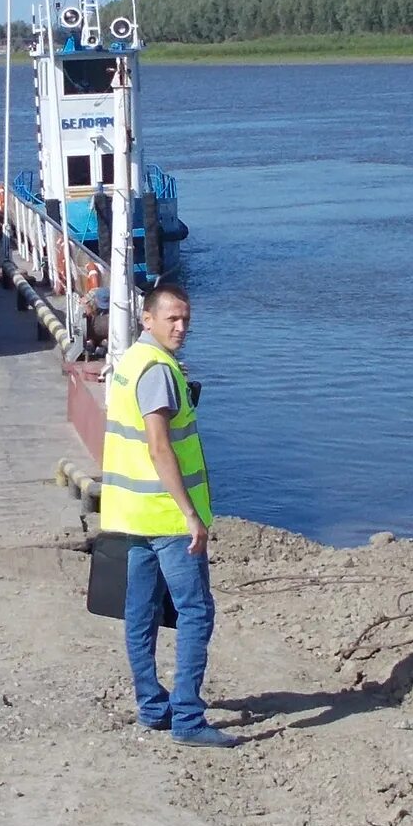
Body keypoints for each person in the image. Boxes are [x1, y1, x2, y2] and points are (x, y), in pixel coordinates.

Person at [98, 282, 233, 747]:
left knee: (140, 611)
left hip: (133, 514)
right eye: (172, 318)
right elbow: (159, 447)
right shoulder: (156, 370)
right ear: (147, 318)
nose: (181, 327)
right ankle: (188, 719)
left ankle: (152, 706)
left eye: (186, 319)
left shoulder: (130, 362)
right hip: (167, 518)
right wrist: (191, 515)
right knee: (195, 613)